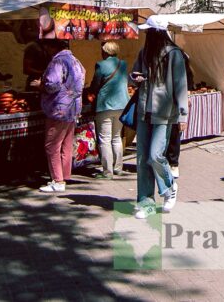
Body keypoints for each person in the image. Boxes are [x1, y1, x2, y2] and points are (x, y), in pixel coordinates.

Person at [130, 17, 189, 219]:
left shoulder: (174, 55)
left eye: (148, 31)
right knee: (141, 160)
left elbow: (181, 86)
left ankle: (169, 186)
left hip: (164, 113)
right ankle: (145, 202)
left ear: (156, 33)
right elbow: (134, 71)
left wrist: (183, 114)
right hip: (143, 112)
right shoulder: (144, 53)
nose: (145, 34)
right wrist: (135, 77)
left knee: (155, 155)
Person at [38, 40, 86, 193]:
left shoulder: (58, 61)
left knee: (52, 145)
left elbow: (52, 83)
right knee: (66, 144)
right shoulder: (75, 61)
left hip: (59, 108)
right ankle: (64, 176)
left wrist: (40, 85)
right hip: (72, 108)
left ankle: (58, 180)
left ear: (51, 46)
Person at [91, 41, 129, 180]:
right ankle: (118, 167)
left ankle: (107, 171)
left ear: (106, 51)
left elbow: (95, 84)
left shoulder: (101, 65)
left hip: (105, 105)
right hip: (122, 104)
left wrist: (91, 92)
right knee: (116, 137)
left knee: (105, 139)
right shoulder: (123, 64)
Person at [164, 50, 196, 180]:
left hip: (176, 103)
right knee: (169, 133)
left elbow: (187, 83)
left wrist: (186, 97)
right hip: (167, 103)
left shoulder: (183, 68)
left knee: (174, 133)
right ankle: (168, 161)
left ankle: (173, 163)